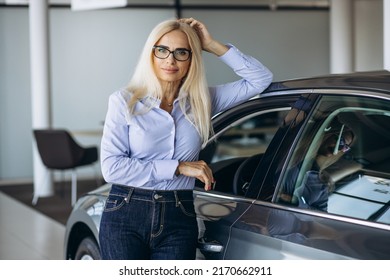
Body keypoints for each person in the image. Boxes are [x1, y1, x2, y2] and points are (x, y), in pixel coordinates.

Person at [99, 17, 273, 260]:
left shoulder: (202, 100)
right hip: (126, 212)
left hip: (178, 214)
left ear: (193, 58)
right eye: (162, 50)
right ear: (151, 54)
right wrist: (178, 168)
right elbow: (112, 168)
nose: (170, 60)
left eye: (182, 52)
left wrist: (212, 45)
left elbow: (261, 79)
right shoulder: (123, 101)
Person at [280, 118, 355, 212]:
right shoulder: (287, 158)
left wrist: (297, 203)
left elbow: (320, 215)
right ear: (327, 133)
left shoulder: (322, 182)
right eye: (341, 141)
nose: (339, 148)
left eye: (345, 147)